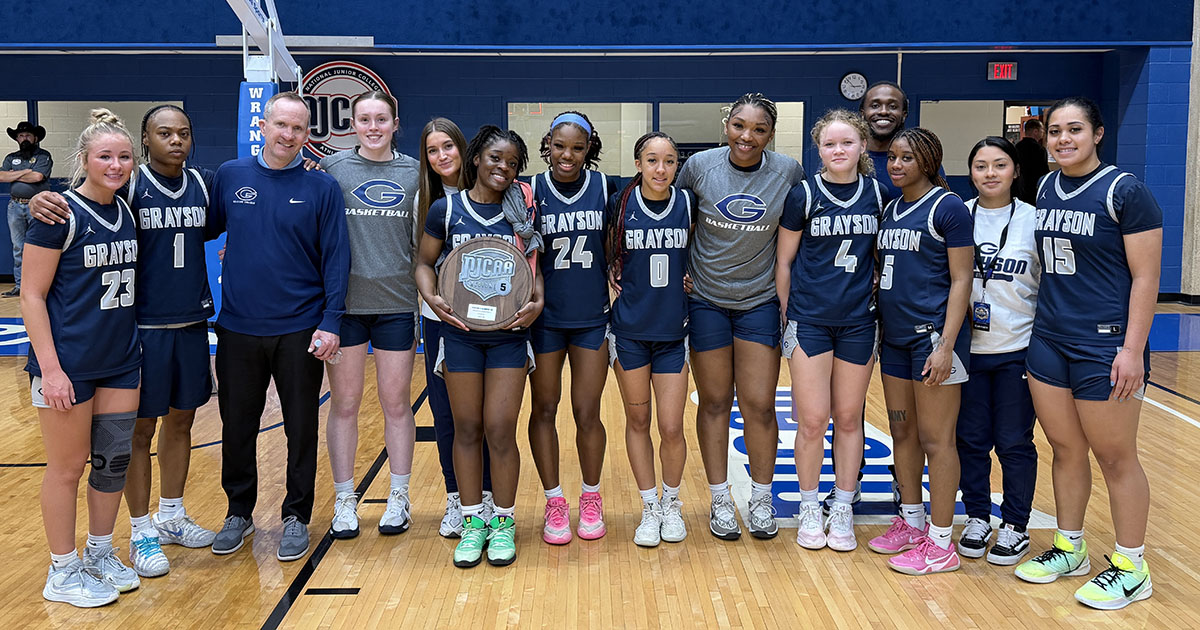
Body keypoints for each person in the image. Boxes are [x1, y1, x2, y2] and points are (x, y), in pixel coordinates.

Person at [29, 105, 220, 578]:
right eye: (163, 133)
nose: (175, 140)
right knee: (136, 435)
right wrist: (36, 199)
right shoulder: (130, 186)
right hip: (139, 331)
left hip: (191, 325)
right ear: (145, 141)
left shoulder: (203, 184)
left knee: (181, 425)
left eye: (184, 132)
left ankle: (171, 516)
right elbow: (81, 197)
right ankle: (140, 531)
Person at [1014, 97, 1161, 611]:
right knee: (1065, 449)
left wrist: (1132, 350)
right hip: (1050, 339)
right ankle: (1069, 547)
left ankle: (1130, 565)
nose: (1063, 139)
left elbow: (1146, 278)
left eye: (1074, 129)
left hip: (1104, 344)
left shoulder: (1125, 191)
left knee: (1116, 457)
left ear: (1097, 133)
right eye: (1055, 131)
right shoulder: (1045, 186)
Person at [206, 91, 350, 563]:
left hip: (300, 328)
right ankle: (238, 512)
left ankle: (296, 516)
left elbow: (336, 258)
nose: (288, 135)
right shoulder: (231, 176)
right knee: (238, 425)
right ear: (264, 126)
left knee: (302, 427)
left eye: (298, 129)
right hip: (238, 328)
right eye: (281, 125)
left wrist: (331, 322)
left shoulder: (322, 188)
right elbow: (198, 226)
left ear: (308, 136)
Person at [25, 109, 141, 607]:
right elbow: (30, 295)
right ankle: (62, 569)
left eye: (123, 156)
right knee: (67, 468)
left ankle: (98, 552)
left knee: (113, 462)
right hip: (68, 364)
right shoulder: (59, 215)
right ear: (84, 160)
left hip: (120, 359)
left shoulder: (129, 207)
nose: (115, 165)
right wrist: (50, 370)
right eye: (104, 156)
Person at [415, 125, 544, 568]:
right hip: (461, 338)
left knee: (500, 429)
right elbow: (424, 264)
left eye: (512, 163)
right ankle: (473, 522)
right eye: (495, 159)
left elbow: (533, 269)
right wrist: (432, 298)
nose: (503, 168)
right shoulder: (445, 209)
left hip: (509, 338)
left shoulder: (522, 211)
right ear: (476, 159)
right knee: (466, 429)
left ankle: (503, 524)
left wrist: (538, 300)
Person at [678, 93, 804, 541]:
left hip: (759, 301)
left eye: (759, 130)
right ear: (726, 125)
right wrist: (681, 273)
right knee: (713, 403)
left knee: (759, 405)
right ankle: (719, 499)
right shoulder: (698, 169)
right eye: (739, 126)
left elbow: (799, 235)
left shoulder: (788, 172)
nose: (746, 137)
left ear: (771, 135)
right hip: (708, 300)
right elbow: (675, 223)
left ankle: (762, 499)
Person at [776, 110, 884, 552]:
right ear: (818, 150)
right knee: (812, 419)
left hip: (859, 322)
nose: (838, 151)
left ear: (861, 147)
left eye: (846, 143)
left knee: (848, 418)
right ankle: (807, 507)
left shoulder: (878, 193)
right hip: (811, 321)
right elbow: (783, 261)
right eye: (829, 144)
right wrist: (789, 317)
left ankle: (841, 506)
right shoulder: (803, 194)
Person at [868, 127, 974, 576]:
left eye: (907, 158)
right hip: (894, 339)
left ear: (928, 161)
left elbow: (961, 280)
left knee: (937, 439)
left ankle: (942, 542)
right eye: (892, 157)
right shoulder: (892, 209)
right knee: (903, 433)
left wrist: (947, 345)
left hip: (933, 340)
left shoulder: (947, 207)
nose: (896, 164)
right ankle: (911, 521)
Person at [319, 91, 420, 539]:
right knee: (344, 404)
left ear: (396, 123)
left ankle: (399, 496)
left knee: (396, 403)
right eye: (365, 119)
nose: (373, 126)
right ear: (353, 124)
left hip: (397, 303)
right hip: (346, 308)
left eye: (382, 118)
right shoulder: (331, 170)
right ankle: (345, 499)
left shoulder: (415, 174)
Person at [528, 111, 616, 545]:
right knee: (543, 410)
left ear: (588, 149)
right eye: (560, 146)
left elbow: (616, 246)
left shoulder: (605, 187)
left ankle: (591, 496)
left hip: (591, 318)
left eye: (577, 148)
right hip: (544, 320)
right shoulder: (529, 190)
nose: (568, 155)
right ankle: (554, 500)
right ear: (548, 143)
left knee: (588, 412)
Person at [954, 137, 1040, 566]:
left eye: (999, 165)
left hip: (1017, 349)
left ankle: (1016, 525)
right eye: (981, 165)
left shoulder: (1034, 220)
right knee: (969, 439)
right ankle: (976, 516)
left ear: (1015, 171)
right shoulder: (958, 215)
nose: (990, 173)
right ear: (970, 172)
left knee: (1012, 441)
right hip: (968, 351)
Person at [606, 132, 693, 547]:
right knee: (638, 422)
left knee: (672, 426)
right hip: (629, 334)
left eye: (670, 161)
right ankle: (649, 506)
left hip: (674, 333)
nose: (661, 169)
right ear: (638, 163)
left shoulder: (688, 204)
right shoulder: (619, 206)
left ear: (678, 165)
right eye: (653, 160)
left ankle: (672, 502)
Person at [414, 118, 497, 537]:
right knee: (448, 414)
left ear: (463, 149)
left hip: (493, 325)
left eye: (448, 146)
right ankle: (456, 499)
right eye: (432, 150)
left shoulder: (494, 191)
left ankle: (487, 496)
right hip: (440, 321)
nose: (442, 156)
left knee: (489, 416)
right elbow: (422, 263)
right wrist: (432, 301)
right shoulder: (426, 201)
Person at [1, 120, 53, 297]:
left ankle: (42, 287)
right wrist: (25, 172)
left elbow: (38, 176)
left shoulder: (43, 156)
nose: (24, 138)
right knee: (18, 248)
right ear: (17, 139)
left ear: (35, 138)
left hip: (39, 206)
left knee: (42, 246)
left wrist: (14, 175)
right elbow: (1, 176)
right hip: (15, 206)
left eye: (28, 135)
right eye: (21, 135)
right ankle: (20, 286)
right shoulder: (10, 157)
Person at [1014, 119, 1049, 205]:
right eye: (1042, 130)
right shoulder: (1039, 149)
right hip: (1034, 188)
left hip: (1018, 187)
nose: (1043, 133)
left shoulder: (1016, 147)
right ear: (1036, 131)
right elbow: (1043, 171)